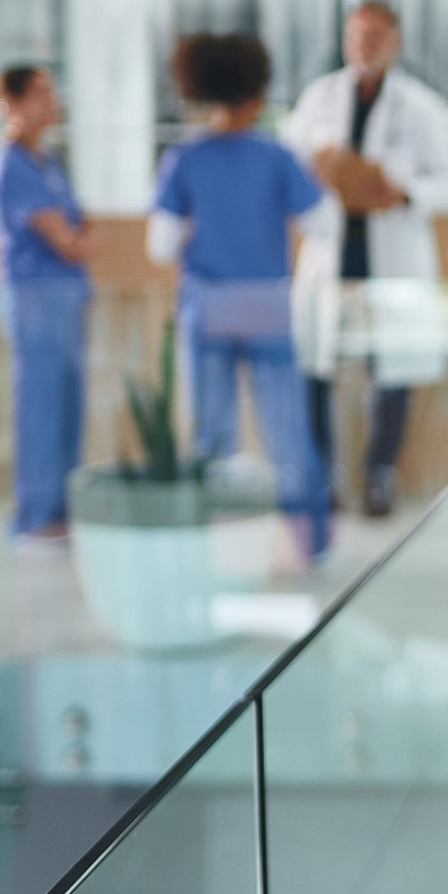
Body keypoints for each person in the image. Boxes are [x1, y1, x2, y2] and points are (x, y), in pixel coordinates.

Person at [148, 34, 334, 560]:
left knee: (211, 437)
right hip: (269, 308)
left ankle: (211, 546)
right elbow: (321, 221)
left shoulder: (184, 158)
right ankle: (312, 544)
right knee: (288, 432)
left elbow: (160, 246)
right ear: (256, 91)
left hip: (206, 310)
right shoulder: (277, 156)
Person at [284, 0, 448, 517]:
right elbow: (290, 169)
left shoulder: (421, 106)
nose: (363, 45)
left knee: (391, 368)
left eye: (374, 36)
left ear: (395, 41)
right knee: (314, 364)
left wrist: (403, 191)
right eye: (356, 35)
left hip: (390, 251)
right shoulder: (318, 98)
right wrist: (321, 172)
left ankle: (379, 474)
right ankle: (321, 476)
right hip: (331, 252)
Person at [0, 65, 91, 543]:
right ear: (13, 102)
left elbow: (82, 230)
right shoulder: (10, 163)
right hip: (34, 296)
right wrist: (77, 241)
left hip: (65, 296)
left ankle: (61, 510)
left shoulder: (47, 159)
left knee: (69, 404)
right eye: (41, 94)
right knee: (40, 408)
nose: (53, 101)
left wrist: (78, 240)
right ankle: (36, 513)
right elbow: (66, 239)